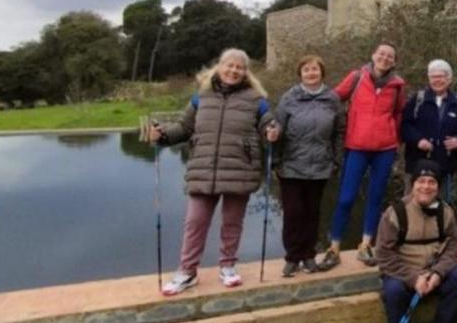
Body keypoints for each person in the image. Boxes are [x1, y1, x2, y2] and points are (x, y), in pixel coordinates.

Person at [148, 48, 279, 296]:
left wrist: (273, 131)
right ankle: (187, 272)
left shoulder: (256, 100)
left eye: (239, 67)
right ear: (219, 67)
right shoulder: (201, 97)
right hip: (203, 169)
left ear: (245, 72)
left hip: (240, 169)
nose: (234, 70)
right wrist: (163, 134)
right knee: (195, 222)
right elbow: (184, 128)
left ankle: (228, 266)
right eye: (229, 65)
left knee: (232, 223)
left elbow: (268, 124)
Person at [320, 43, 407, 271]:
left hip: (384, 149)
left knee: (376, 197)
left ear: (394, 61)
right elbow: (335, 97)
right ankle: (334, 247)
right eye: (381, 54)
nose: (385, 58)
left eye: (390, 56)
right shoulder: (357, 77)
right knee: (346, 198)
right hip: (356, 146)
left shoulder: (397, 85)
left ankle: (366, 244)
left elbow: (399, 113)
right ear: (373, 55)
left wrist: (395, 138)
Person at [375, 161, 457, 323]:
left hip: (433, 272)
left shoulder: (445, 211)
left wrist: (437, 273)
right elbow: (383, 255)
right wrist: (413, 278)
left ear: (438, 186)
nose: (426, 187)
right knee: (393, 292)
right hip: (402, 275)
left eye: (432, 182)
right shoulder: (395, 213)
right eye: (421, 181)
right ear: (413, 184)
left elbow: (454, 245)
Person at [273, 55, 342, 278]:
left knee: (313, 212)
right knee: (294, 213)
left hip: (321, 165)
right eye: (306, 70)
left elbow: (339, 132)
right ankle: (293, 257)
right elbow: (276, 130)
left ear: (322, 72)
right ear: (300, 74)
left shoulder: (332, 99)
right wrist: (275, 160)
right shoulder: (289, 98)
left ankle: (309, 255)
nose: (311, 73)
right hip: (291, 165)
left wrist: (336, 159)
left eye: (315, 69)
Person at [401, 59, 457, 205]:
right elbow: (405, 125)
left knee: (440, 206)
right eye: (433, 77)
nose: (437, 80)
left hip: (444, 165)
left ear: (449, 78)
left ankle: (439, 229)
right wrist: (418, 140)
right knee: (411, 206)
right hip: (417, 163)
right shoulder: (418, 100)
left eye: (441, 76)